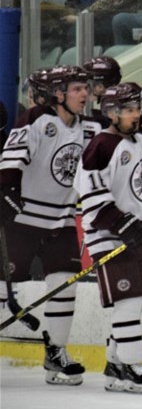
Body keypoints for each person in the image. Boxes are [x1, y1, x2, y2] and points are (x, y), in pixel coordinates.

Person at [0, 65, 101, 386]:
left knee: (64, 284)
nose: (85, 94)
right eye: (76, 89)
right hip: (23, 222)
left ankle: (55, 353)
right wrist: (7, 196)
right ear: (58, 94)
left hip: (61, 220)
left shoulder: (90, 128)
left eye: (85, 87)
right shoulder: (36, 120)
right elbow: (9, 165)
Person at [74, 83, 142, 394]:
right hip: (109, 236)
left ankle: (114, 363)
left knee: (135, 303)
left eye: (137, 109)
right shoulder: (100, 145)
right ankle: (129, 364)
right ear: (111, 114)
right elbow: (92, 196)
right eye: (129, 110)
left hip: (140, 234)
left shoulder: (139, 141)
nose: (136, 115)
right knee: (128, 298)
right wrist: (122, 223)